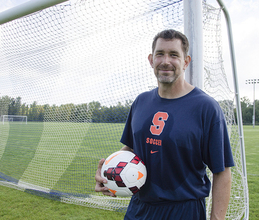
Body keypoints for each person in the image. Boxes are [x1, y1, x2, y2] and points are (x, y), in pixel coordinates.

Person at [95, 29, 234, 220]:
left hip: (184, 211)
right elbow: (130, 148)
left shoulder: (206, 107)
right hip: (139, 209)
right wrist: (108, 174)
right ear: (151, 60)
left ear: (186, 62)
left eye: (174, 55)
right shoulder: (140, 102)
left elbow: (222, 171)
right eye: (160, 54)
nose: (166, 61)